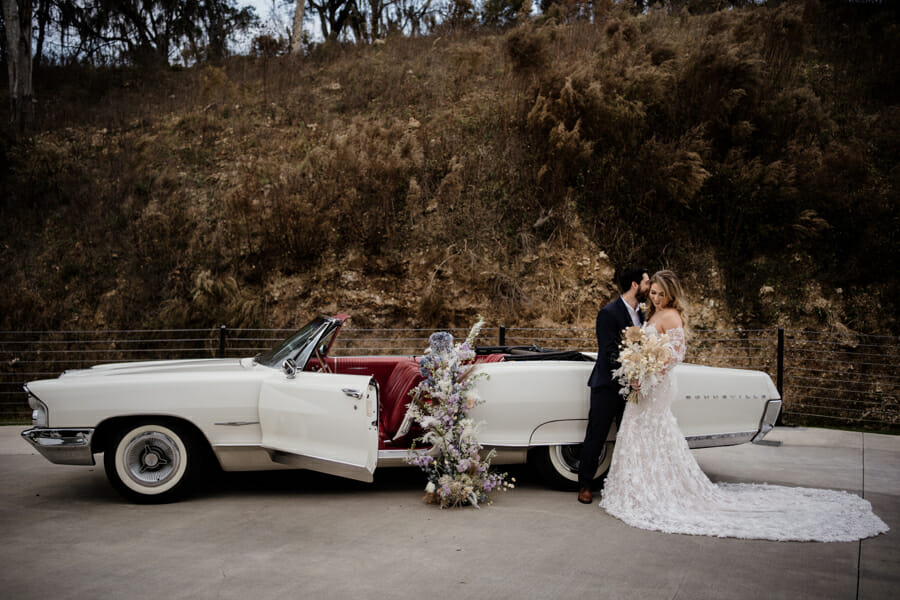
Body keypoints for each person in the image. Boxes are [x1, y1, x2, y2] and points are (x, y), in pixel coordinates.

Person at [598, 270, 888, 541]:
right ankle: (639, 486)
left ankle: (659, 491)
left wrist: (648, 373)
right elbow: (646, 348)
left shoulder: (671, 316)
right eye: (654, 293)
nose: (656, 298)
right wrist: (637, 372)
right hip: (643, 383)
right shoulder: (653, 313)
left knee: (654, 429)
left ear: (671, 294)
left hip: (656, 384)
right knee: (640, 430)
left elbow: (676, 355)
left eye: (661, 294)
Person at [578, 266, 649, 504]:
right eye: (647, 283)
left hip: (634, 387)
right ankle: (585, 485)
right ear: (635, 285)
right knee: (596, 435)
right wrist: (633, 369)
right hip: (607, 385)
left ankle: (624, 484)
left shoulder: (645, 313)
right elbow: (608, 351)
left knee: (628, 436)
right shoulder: (608, 313)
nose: (650, 288)